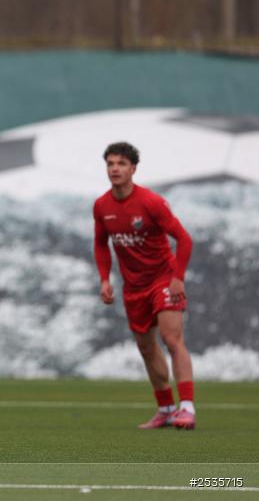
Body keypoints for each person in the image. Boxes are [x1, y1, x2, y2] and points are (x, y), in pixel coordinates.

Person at [93, 142, 196, 430]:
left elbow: (184, 239)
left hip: (163, 280)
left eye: (121, 164)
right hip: (133, 286)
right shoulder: (102, 206)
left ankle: (186, 408)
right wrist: (104, 278)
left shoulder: (150, 202)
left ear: (133, 169)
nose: (115, 168)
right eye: (110, 163)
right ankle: (165, 409)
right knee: (146, 347)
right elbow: (101, 243)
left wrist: (178, 278)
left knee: (172, 340)